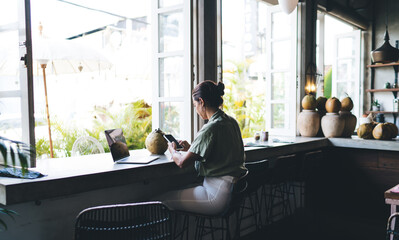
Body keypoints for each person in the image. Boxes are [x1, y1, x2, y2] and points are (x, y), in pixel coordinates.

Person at [159, 80, 247, 215]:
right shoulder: (231, 122)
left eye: (195, 105)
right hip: (231, 192)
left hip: (216, 195)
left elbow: (182, 163)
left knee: (161, 200)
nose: (196, 110)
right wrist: (191, 148)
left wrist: (172, 150)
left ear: (202, 101)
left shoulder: (210, 128)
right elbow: (219, 153)